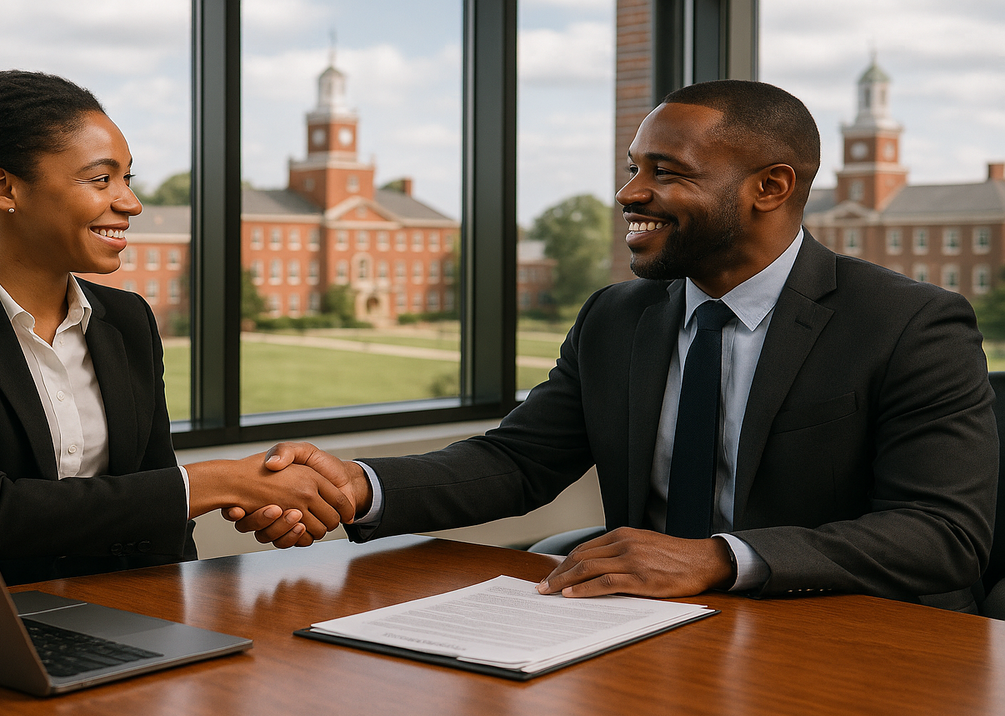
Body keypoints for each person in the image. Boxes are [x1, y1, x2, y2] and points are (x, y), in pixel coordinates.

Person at [240, 80, 997, 612]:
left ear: (770, 187)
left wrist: (716, 557)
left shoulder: (909, 323)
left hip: (850, 629)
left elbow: (941, 535)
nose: (630, 194)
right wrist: (357, 486)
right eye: (633, 169)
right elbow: (519, 462)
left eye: (664, 173)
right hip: (641, 622)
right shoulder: (618, 316)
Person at [0, 70, 353, 585]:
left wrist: (184, 622)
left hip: (126, 614)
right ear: (2, 187)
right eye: (100, 179)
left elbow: (155, 505)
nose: (130, 203)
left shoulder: (127, 320)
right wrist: (218, 483)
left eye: (127, 179)